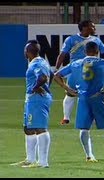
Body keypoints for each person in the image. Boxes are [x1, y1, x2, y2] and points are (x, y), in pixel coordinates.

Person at [54, 41, 104, 162]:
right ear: (98, 52)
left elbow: (57, 75)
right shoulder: (103, 62)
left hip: (83, 98)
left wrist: (68, 89)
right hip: (98, 97)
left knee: (84, 128)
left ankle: (89, 156)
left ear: (84, 52)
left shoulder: (76, 63)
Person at [55, 20, 104, 125]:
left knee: (93, 94)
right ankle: (66, 117)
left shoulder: (96, 40)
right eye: (93, 27)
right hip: (76, 70)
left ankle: (95, 117)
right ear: (85, 28)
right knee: (70, 94)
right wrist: (56, 68)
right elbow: (63, 54)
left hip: (92, 70)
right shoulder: (71, 39)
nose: (95, 29)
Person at [10, 40, 53, 168]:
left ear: (28, 52)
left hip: (37, 99)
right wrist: (46, 88)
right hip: (32, 99)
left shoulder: (37, 64)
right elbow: (51, 73)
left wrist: (36, 87)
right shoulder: (40, 62)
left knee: (40, 128)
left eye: (25, 50)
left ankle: (43, 162)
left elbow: (43, 77)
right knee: (28, 128)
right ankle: (30, 159)